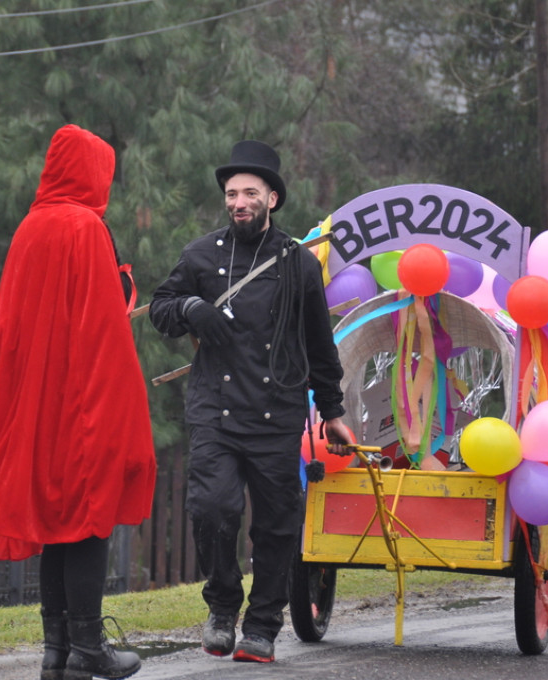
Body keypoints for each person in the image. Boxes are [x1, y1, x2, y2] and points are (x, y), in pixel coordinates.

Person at [0, 124, 157, 680]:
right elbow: (99, 327)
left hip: (38, 405)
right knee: (89, 518)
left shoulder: (30, 227)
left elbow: (16, 330)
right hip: (81, 402)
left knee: (56, 523)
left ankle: (56, 651)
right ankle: (88, 647)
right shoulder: (85, 227)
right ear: (90, 172)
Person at [148, 140, 353, 663]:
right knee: (212, 508)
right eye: (231, 193)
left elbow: (319, 344)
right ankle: (221, 608)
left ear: (272, 199)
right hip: (214, 407)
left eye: (249, 193)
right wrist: (193, 306)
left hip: (276, 409)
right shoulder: (199, 255)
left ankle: (262, 626)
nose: (238, 201)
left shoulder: (298, 265)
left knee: (276, 524)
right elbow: (162, 308)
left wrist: (332, 412)